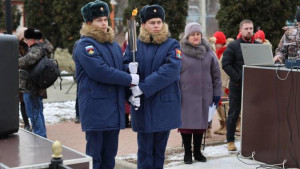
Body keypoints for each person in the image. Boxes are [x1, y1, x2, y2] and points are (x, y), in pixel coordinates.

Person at [73, 1, 139, 169]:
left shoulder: (113, 45)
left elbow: (117, 67)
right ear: (89, 23)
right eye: (98, 20)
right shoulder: (85, 45)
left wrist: (129, 69)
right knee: (95, 156)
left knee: (110, 156)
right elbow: (100, 71)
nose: (104, 23)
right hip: (96, 107)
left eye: (105, 19)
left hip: (113, 107)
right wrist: (128, 78)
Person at [123, 4, 182, 169]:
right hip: (143, 107)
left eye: (159, 22)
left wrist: (142, 87)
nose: (156, 25)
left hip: (164, 105)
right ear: (143, 25)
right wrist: (129, 71)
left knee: (159, 151)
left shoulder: (172, 45)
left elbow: (171, 70)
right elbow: (124, 65)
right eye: (152, 22)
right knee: (144, 151)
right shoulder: (135, 46)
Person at [179, 22, 221, 164]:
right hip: (185, 95)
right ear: (187, 36)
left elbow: (216, 75)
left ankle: (197, 152)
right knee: (186, 125)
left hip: (205, 95)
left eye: (198, 34)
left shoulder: (209, 52)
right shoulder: (180, 52)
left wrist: (217, 93)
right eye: (193, 34)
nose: (196, 37)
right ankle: (187, 153)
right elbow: (174, 74)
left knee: (200, 125)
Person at [222, 19, 260, 151]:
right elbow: (225, 64)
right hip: (237, 86)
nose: (249, 31)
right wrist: (238, 78)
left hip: (254, 87)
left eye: (251, 28)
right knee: (233, 113)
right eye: (246, 29)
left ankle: (254, 139)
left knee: (255, 113)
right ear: (240, 31)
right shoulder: (233, 46)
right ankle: (230, 140)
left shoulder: (258, 45)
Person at [18, 27, 48, 138]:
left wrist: (13, 60)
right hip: (33, 87)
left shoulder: (37, 49)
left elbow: (27, 61)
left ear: (33, 39)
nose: (25, 41)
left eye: (27, 39)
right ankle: (42, 136)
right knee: (37, 113)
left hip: (32, 88)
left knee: (34, 114)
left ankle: (40, 137)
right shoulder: (39, 48)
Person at [212, 31, 230, 135]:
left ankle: (227, 127)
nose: (215, 45)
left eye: (216, 43)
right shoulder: (217, 53)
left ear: (221, 42)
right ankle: (222, 125)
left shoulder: (226, 52)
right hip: (218, 84)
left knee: (225, 107)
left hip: (225, 84)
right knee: (219, 107)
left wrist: (228, 84)